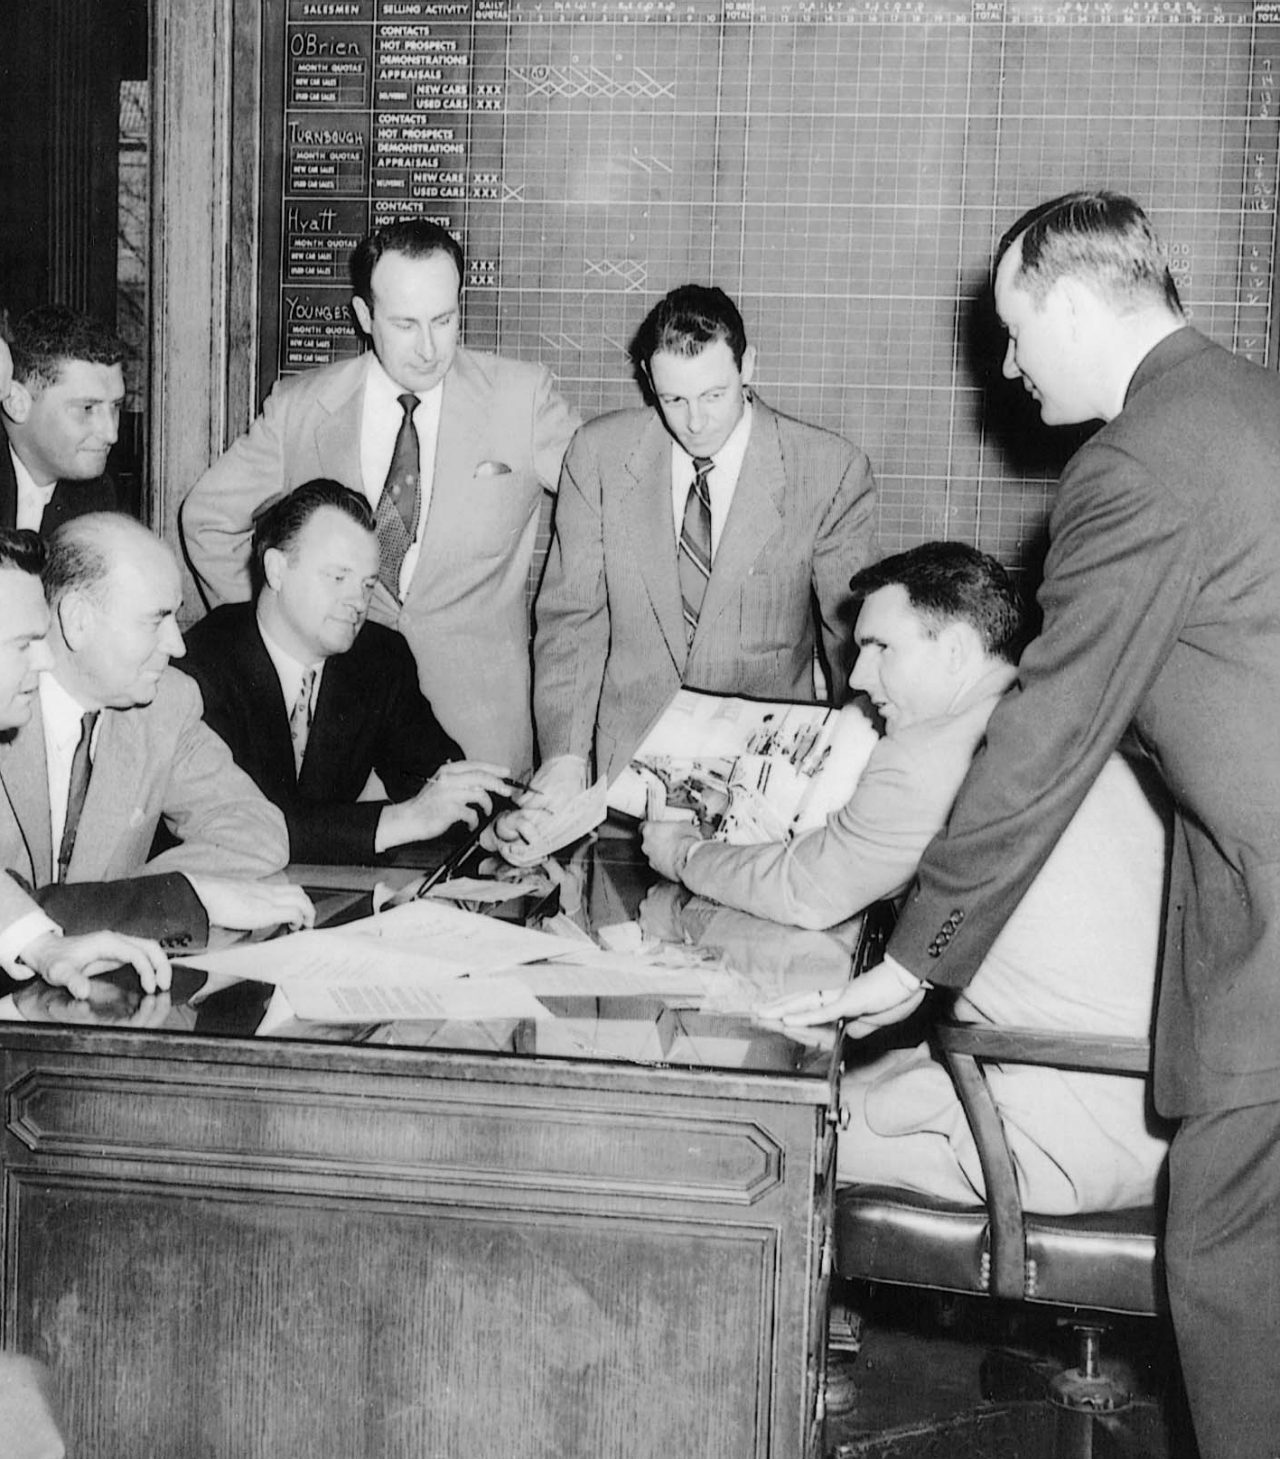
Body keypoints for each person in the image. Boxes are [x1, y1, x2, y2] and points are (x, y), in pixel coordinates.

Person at [770, 191, 1280, 1459]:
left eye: (1011, 331)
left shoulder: (1133, 462)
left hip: (1268, 943)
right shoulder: (1256, 408)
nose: (1005, 366)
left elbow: (1041, 737)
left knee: (1231, 1274)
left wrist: (910, 958)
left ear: (1064, 299)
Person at [645, 543, 1170, 1212]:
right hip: (1143, 1107)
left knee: (722, 1141)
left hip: (1054, 1138)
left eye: (880, 647)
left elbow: (805, 888)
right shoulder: (1054, 718)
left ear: (954, 651)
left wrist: (684, 853)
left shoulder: (939, 751)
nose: (859, 674)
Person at [180, 219, 581, 768]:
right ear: (365, 316)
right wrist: (280, 635)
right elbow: (207, 519)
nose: (428, 347)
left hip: (481, 739)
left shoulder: (522, 399)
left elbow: (606, 500)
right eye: (404, 324)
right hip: (340, 740)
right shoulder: (301, 407)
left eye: (444, 319)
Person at [497, 284, 877, 852]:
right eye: (674, 400)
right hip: (626, 782)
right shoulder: (598, 455)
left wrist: (844, 781)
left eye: (714, 395)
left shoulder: (827, 471)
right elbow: (572, 622)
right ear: (650, 380)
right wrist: (566, 756)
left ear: (748, 367)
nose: (696, 421)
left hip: (761, 790)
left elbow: (854, 644)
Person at [0, 516, 310, 1001]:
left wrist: (148, 898)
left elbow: (255, 827)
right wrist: (176, 901)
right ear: (78, 619)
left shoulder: (164, 704)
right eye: (156, 619)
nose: (178, 643)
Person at [179, 479, 516, 863]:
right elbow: (246, 823)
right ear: (276, 569)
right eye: (337, 578)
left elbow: (436, 777)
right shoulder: (203, 664)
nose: (357, 601)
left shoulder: (379, 657)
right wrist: (402, 820)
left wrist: (494, 827)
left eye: (367, 584)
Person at [1, 305, 124, 533]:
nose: (111, 434)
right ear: (17, 404)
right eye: (87, 408)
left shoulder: (95, 496)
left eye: (116, 406)